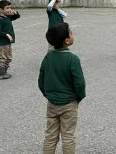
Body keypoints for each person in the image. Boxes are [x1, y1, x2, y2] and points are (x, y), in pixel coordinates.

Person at [40, 22, 86, 154]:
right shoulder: (72, 59)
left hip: (52, 102)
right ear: (67, 41)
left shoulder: (48, 57)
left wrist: (48, 94)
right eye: (71, 33)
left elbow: (41, 80)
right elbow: (80, 83)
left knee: (50, 135)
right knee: (68, 136)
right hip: (69, 103)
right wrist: (79, 97)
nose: (73, 35)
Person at [0, 0, 20, 80]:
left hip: (8, 42)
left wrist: (15, 13)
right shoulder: (0, 20)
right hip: (3, 42)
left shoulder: (7, 17)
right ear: (1, 10)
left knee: (9, 57)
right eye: (7, 8)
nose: (9, 9)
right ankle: (0, 73)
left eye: (10, 8)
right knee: (3, 57)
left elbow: (17, 16)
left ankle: (4, 72)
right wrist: (6, 34)